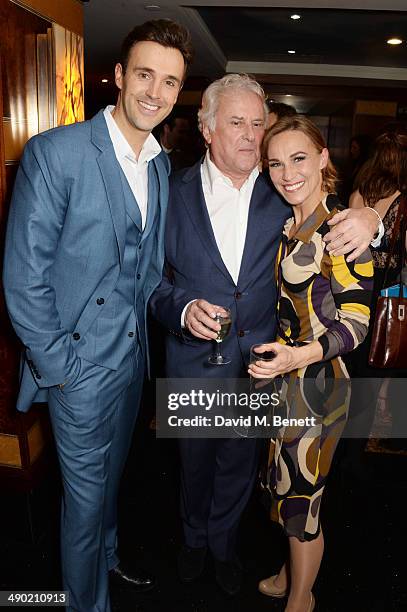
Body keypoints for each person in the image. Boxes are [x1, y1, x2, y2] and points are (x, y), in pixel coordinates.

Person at [150, 74, 380, 597]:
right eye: (237, 123)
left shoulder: (281, 187)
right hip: (193, 358)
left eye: (259, 123)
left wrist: (372, 220)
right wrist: (180, 308)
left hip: (266, 364)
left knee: (240, 463)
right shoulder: (167, 188)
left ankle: (226, 547)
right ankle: (192, 542)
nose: (252, 137)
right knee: (192, 461)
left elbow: (335, 216)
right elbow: (147, 280)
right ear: (207, 129)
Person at [3, 19, 193, 612]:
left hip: (131, 364)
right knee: (82, 504)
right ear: (117, 76)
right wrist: (62, 367)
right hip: (77, 368)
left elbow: (150, 274)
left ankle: (107, 559)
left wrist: (182, 307)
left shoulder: (161, 165)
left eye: (169, 82)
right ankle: (87, 602)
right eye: (144, 74)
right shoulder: (56, 154)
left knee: (111, 482)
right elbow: (22, 278)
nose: (154, 93)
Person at [250, 115, 373, 612]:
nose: (286, 173)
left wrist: (298, 356)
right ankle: (290, 573)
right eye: (275, 163)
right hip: (288, 381)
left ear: (324, 158)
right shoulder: (294, 223)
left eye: (298, 158)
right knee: (284, 488)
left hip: (318, 385)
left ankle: (301, 599)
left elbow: (358, 322)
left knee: (304, 502)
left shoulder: (341, 227)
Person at [348, 123, 407, 450]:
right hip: (393, 294)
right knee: (394, 360)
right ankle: (394, 437)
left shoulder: (358, 193)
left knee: (359, 365)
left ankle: (348, 440)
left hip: (357, 291)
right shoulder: (403, 199)